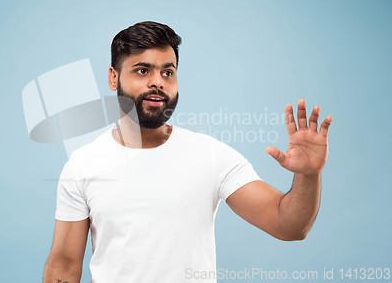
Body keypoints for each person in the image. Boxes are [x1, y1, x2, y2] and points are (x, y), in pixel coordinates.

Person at [42, 21, 332, 283]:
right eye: (143, 71)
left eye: (167, 72)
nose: (158, 82)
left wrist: (309, 175)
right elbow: (65, 265)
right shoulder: (83, 165)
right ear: (113, 78)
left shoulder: (212, 156)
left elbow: (289, 226)